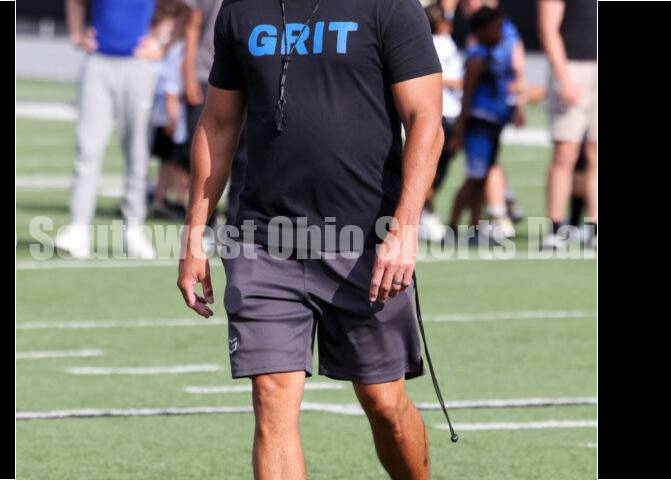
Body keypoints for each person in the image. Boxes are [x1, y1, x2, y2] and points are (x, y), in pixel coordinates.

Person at [177, 0, 445, 477]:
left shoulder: (389, 6)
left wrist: (404, 229)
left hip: (366, 242)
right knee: (271, 396)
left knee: (385, 404)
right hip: (263, 240)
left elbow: (426, 120)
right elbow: (217, 124)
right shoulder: (240, 9)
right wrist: (195, 233)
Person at [56, 0, 165, 259]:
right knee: (87, 147)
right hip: (98, 63)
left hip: (138, 65)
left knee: (138, 152)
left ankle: (134, 230)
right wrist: (75, 34)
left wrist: (162, 42)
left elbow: (183, 10)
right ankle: (78, 228)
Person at [448, 7, 515, 237]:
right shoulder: (477, 59)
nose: (501, 33)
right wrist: (460, 130)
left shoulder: (493, 54)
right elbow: (466, 97)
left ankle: (475, 226)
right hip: (478, 125)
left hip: (493, 124)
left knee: (483, 177)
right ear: (482, 30)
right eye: (496, 28)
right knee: (475, 178)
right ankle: (453, 225)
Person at [181, 0, 246, 227]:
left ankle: (233, 223)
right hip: (206, 74)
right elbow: (192, 26)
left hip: (244, 79)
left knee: (244, 158)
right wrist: (188, 74)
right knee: (205, 151)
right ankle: (205, 227)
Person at [538, 0, 597, 248]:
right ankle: (555, 227)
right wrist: (563, 77)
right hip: (572, 68)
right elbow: (547, 29)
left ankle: (593, 227)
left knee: (595, 154)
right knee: (565, 152)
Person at [421, 4, 464, 243]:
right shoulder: (437, 43)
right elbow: (438, 75)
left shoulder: (446, 42)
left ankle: (425, 212)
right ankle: (423, 213)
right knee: (432, 170)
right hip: (442, 111)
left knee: (439, 170)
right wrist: (460, 83)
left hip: (450, 111)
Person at [149, 3, 192, 220]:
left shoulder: (180, 44)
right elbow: (171, 84)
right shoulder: (174, 46)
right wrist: (172, 111)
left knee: (175, 159)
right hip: (171, 109)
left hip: (171, 107)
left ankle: (168, 200)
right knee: (176, 159)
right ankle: (167, 200)